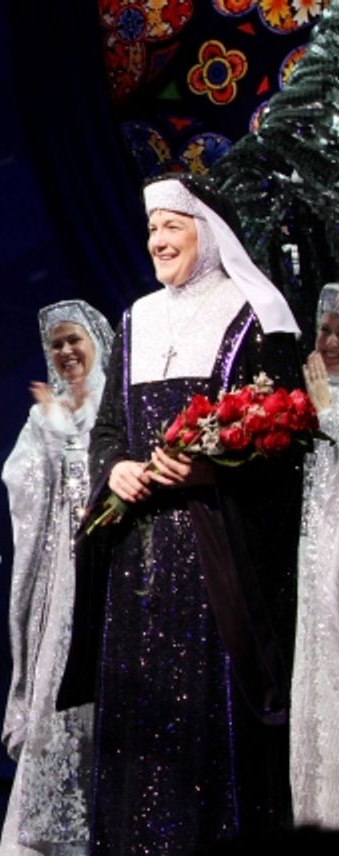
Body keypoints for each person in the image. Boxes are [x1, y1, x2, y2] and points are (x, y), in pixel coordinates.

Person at [60, 174, 305, 852]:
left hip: (213, 552)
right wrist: (117, 467)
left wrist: (208, 467)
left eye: (170, 225)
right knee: (137, 714)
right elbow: (110, 427)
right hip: (137, 555)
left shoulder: (257, 313)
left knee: (208, 713)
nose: (156, 241)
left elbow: (286, 444)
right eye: (150, 229)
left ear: (208, 230)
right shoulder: (137, 316)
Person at [0, 300, 114, 856]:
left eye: (74, 340)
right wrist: (51, 431)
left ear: (96, 341)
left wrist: (65, 434)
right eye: (57, 345)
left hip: (106, 568)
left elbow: (97, 481)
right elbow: (20, 483)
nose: (67, 352)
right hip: (58, 574)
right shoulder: (43, 413)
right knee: (55, 684)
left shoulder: (116, 406)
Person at [289, 282, 339, 828]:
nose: (326, 341)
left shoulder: (322, 403)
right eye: (323, 330)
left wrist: (327, 413)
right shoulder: (304, 399)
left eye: (337, 333)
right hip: (313, 554)